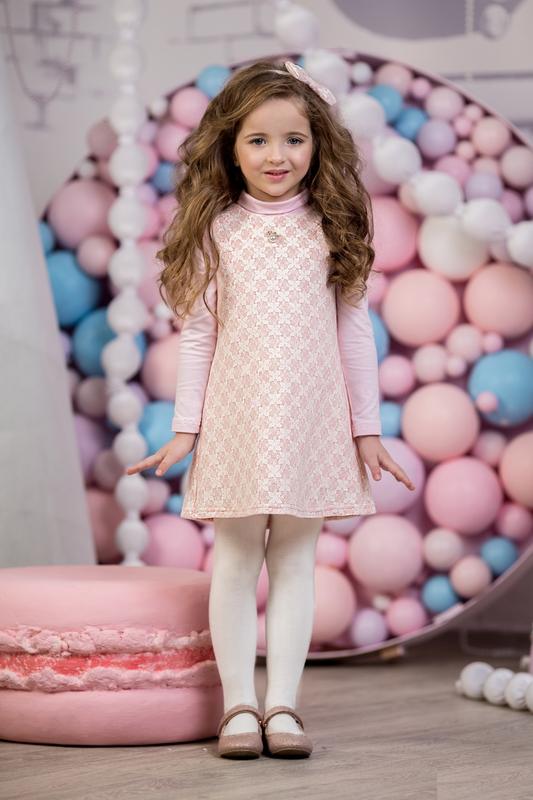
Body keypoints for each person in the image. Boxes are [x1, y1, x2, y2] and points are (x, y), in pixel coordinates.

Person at [126, 59, 415, 759]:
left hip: (312, 420)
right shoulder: (217, 230)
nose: (276, 155)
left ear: (317, 144)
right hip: (238, 420)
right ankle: (237, 707)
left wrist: (367, 429)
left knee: (293, 560)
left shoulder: (331, 228)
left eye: (293, 139)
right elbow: (200, 334)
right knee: (233, 560)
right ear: (230, 146)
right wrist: (186, 429)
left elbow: (354, 333)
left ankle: (282, 705)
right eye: (257, 140)